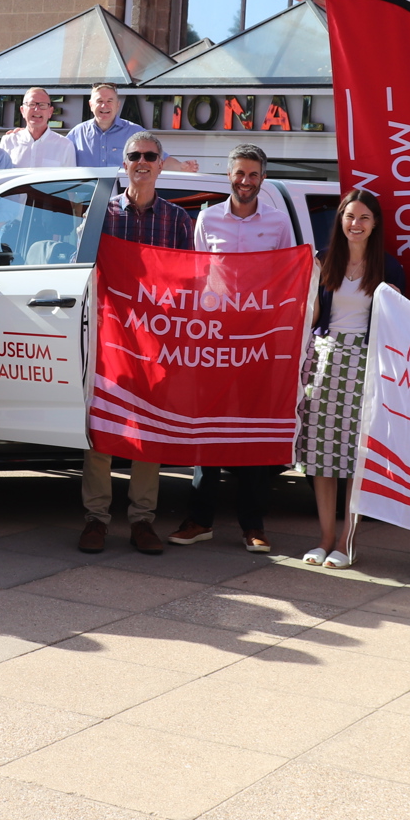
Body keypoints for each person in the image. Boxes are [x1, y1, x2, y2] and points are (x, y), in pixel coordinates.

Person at [172, 144, 296, 554]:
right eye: (240, 173)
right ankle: (200, 519)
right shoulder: (207, 218)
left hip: (258, 344)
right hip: (216, 342)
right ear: (229, 175)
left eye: (254, 175)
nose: (246, 182)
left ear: (263, 178)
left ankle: (252, 525)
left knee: (252, 432)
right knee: (207, 429)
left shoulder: (278, 222)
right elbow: (197, 276)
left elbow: (286, 278)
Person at [79, 131, 193, 555]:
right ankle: (96, 519)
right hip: (109, 340)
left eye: (150, 155)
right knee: (103, 428)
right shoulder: (102, 216)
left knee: (149, 430)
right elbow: (86, 274)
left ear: (162, 164)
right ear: (123, 163)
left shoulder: (179, 221)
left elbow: (190, 286)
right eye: (134, 155)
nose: (142, 161)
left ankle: (142, 521)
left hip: (158, 346)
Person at [296, 190, 403, 568]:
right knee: (321, 458)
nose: (355, 224)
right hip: (324, 364)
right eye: (349, 216)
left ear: (375, 225)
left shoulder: (389, 269)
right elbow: (311, 319)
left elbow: (397, 326)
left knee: (355, 460)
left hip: (366, 365)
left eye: (363, 218)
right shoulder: (323, 262)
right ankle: (324, 538)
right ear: (339, 220)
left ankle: (346, 542)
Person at [66, 83, 198, 172]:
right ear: (91, 105)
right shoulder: (77, 134)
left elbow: (159, 159)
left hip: (123, 204)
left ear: (117, 105)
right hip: (84, 204)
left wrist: (181, 166)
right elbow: (60, 162)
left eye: (109, 101)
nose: (104, 106)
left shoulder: (135, 133)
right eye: (99, 101)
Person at [0, 86, 77, 168]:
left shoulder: (65, 145)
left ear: (50, 112)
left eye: (42, 105)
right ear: (22, 111)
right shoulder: (8, 141)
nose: (37, 109)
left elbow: (68, 179)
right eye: (31, 104)